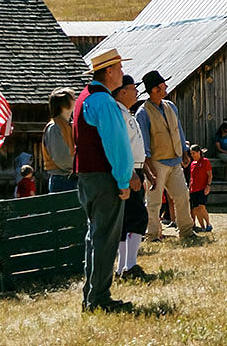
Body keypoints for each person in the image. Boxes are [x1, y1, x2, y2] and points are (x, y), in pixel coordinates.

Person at [73, 48, 136, 313]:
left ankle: (92, 294)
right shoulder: (105, 102)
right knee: (105, 239)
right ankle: (99, 297)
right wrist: (123, 181)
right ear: (109, 71)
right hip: (104, 178)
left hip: (87, 178)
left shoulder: (84, 98)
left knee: (94, 237)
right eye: (119, 68)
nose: (122, 72)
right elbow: (117, 146)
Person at [136, 70, 196, 242]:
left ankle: (186, 231)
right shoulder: (143, 113)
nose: (166, 87)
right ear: (154, 89)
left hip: (175, 161)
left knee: (183, 196)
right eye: (163, 85)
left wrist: (184, 153)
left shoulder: (171, 107)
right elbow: (144, 144)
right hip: (157, 163)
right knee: (154, 202)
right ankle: (153, 235)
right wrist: (149, 169)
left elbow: (179, 131)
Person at [112, 74, 154, 281]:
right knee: (137, 217)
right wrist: (131, 174)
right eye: (132, 88)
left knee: (128, 218)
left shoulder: (126, 113)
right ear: (122, 92)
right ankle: (129, 265)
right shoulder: (119, 115)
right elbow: (122, 147)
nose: (137, 92)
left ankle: (124, 266)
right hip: (129, 170)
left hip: (135, 168)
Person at [42, 87, 78, 193]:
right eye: (73, 98)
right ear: (64, 104)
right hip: (62, 180)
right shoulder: (54, 127)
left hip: (70, 178)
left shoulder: (68, 125)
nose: (75, 101)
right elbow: (61, 158)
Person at [188, 145, 213, 232]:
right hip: (193, 189)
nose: (192, 155)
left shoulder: (205, 161)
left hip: (202, 188)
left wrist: (208, 186)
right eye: (191, 153)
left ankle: (208, 224)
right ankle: (202, 227)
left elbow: (210, 175)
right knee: (196, 209)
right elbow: (191, 177)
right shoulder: (192, 164)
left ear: (199, 152)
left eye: (194, 153)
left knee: (202, 207)